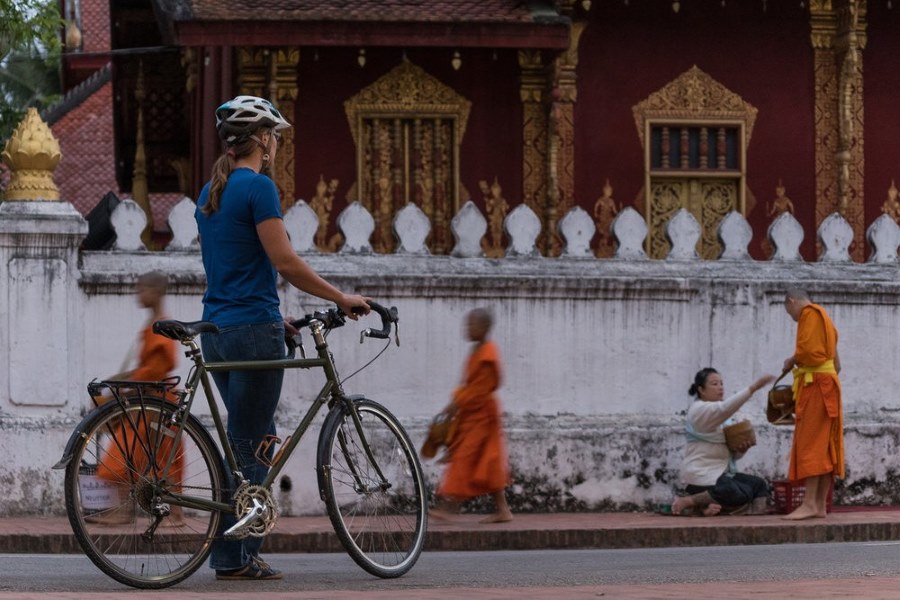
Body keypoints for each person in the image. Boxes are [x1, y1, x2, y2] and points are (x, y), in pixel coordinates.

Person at [195, 95, 370, 581]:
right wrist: (340, 297)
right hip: (253, 332)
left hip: (218, 332)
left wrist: (282, 322)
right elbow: (285, 262)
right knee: (252, 445)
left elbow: (233, 269)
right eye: (274, 136)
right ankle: (236, 555)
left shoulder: (210, 192)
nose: (276, 144)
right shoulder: (258, 189)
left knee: (241, 441)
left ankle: (235, 551)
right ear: (264, 142)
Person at [91, 271, 183, 526]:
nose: (138, 295)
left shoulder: (162, 326)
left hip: (157, 403)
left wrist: (123, 387)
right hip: (146, 401)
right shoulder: (153, 324)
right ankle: (124, 511)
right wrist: (117, 383)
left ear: (155, 292)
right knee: (131, 457)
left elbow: (154, 370)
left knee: (155, 460)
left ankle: (175, 514)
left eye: (142, 289)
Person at [430, 308, 513, 524]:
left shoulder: (488, 355)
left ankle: (449, 507)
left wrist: (455, 404)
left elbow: (479, 390)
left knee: (463, 459)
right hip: (474, 414)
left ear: (484, 328)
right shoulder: (478, 351)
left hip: (482, 414)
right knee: (489, 462)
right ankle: (503, 510)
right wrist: (455, 403)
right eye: (467, 324)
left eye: (472, 325)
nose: (467, 329)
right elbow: (470, 387)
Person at [671, 368, 776, 516]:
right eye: (714, 384)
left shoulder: (724, 420)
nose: (720, 387)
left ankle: (746, 513)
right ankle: (689, 501)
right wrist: (754, 388)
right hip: (701, 476)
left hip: (720, 474)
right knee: (731, 491)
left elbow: (731, 455)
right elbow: (724, 408)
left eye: (721, 383)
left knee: (758, 485)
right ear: (701, 390)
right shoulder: (699, 410)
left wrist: (741, 449)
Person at [781, 287, 844, 520]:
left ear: (792, 301)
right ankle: (818, 505)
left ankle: (809, 504)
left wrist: (793, 360)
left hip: (817, 387)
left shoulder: (809, 314)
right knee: (825, 444)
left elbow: (808, 352)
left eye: (790, 312)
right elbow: (837, 365)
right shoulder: (826, 319)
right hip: (829, 385)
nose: (793, 317)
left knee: (811, 443)